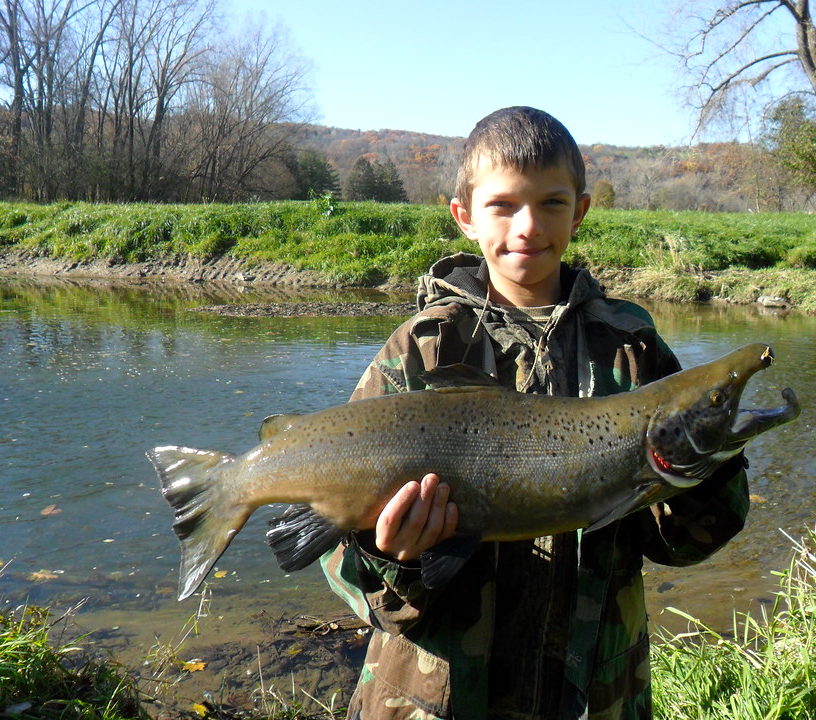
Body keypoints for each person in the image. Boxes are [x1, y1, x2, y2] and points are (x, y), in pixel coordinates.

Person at [313, 107, 750, 719]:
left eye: (551, 203)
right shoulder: (418, 351)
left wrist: (711, 461)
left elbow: (681, 543)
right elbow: (347, 572)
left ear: (581, 211)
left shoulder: (633, 349)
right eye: (502, 205)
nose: (528, 226)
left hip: (596, 695)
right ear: (462, 216)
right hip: (437, 703)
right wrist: (392, 558)